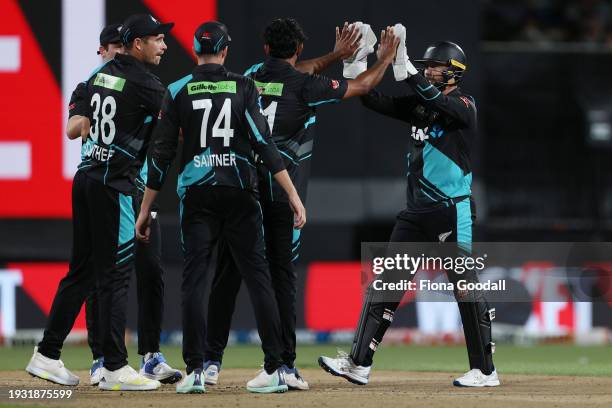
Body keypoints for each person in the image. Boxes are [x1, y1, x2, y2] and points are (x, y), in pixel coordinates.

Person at [203, 18, 399, 390]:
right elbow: (363, 85)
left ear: (265, 49)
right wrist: (385, 59)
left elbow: (289, 72)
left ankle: (211, 362)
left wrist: (336, 54)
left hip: (242, 191)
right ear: (298, 50)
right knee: (281, 282)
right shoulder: (308, 87)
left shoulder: (249, 76)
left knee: (227, 275)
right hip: (282, 195)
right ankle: (285, 366)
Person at [135, 21, 306, 394]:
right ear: (226, 51)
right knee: (259, 277)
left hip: (197, 195)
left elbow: (162, 154)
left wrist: (146, 208)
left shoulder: (178, 89)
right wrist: (292, 194)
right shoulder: (244, 86)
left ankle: (196, 370)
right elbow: (264, 143)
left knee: (195, 279)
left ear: (196, 50)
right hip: (239, 190)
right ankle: (276, 367)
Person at [318, 40, 500, 388]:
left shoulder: (464, 104)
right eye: (425, 66)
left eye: (434, 67)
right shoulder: (421, 103)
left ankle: (485, 371)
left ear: (453, 72)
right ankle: (358, 364)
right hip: (416, 214)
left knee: (464, 288)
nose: (429, 71)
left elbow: (439, 102)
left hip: (451, 209)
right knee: (385, 284)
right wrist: (355, 68)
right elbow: (374, 101)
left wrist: (408, 72)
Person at [26, 14, 174, 391]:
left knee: (82, 273)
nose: (164, 46)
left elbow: (82, 123)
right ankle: (114, 365)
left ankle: (46, 354)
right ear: (137, 44)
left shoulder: (97, 77)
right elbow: (176, 125)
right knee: (115, 275)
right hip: (115, 187)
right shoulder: (147, 84)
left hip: (87, 178)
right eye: (157, 39)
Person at [65, 22, 182, 386]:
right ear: (103, 52)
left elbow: (170, 126)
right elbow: (72, 129)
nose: (119, 53)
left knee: (151, 272)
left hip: (138, 187)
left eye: (122, 46)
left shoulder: (142, 84)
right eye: (113, 47)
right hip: (107, 185)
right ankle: (103, 358)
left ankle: (150, 355)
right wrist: (91, 121)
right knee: (104, 276)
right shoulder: (92, 83)